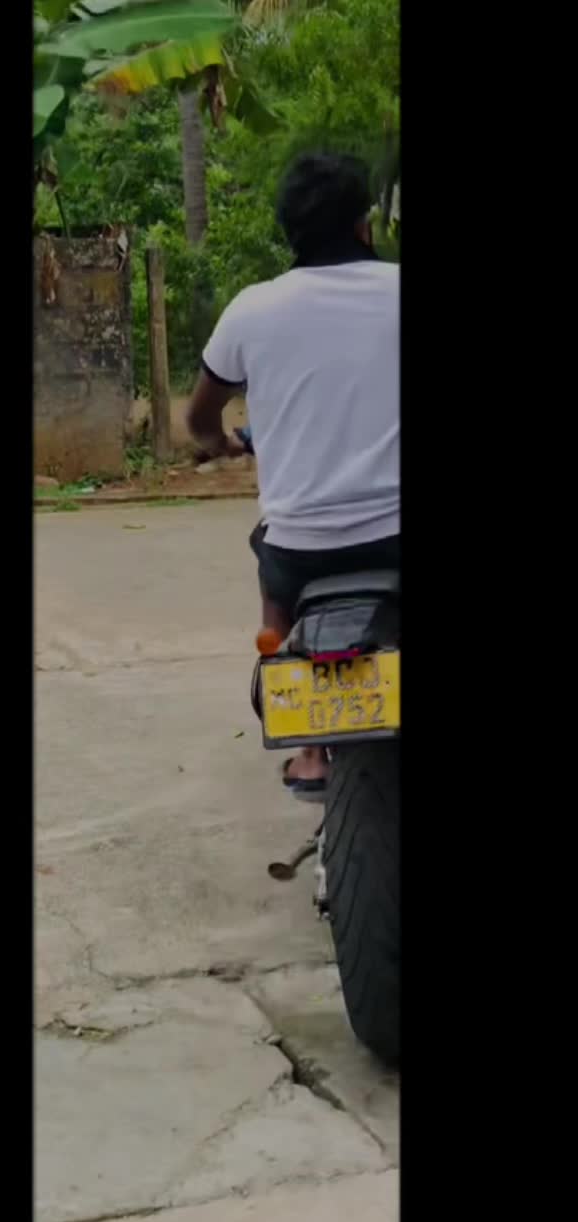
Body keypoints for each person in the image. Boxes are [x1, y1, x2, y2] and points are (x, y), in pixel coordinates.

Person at [186, 152, 399, 794]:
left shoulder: (252, 309)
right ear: (364, 225)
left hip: (300, 554)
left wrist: (220, 444)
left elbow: (199, 417)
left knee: (273, 574)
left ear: (290, 234)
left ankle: (309, 751)